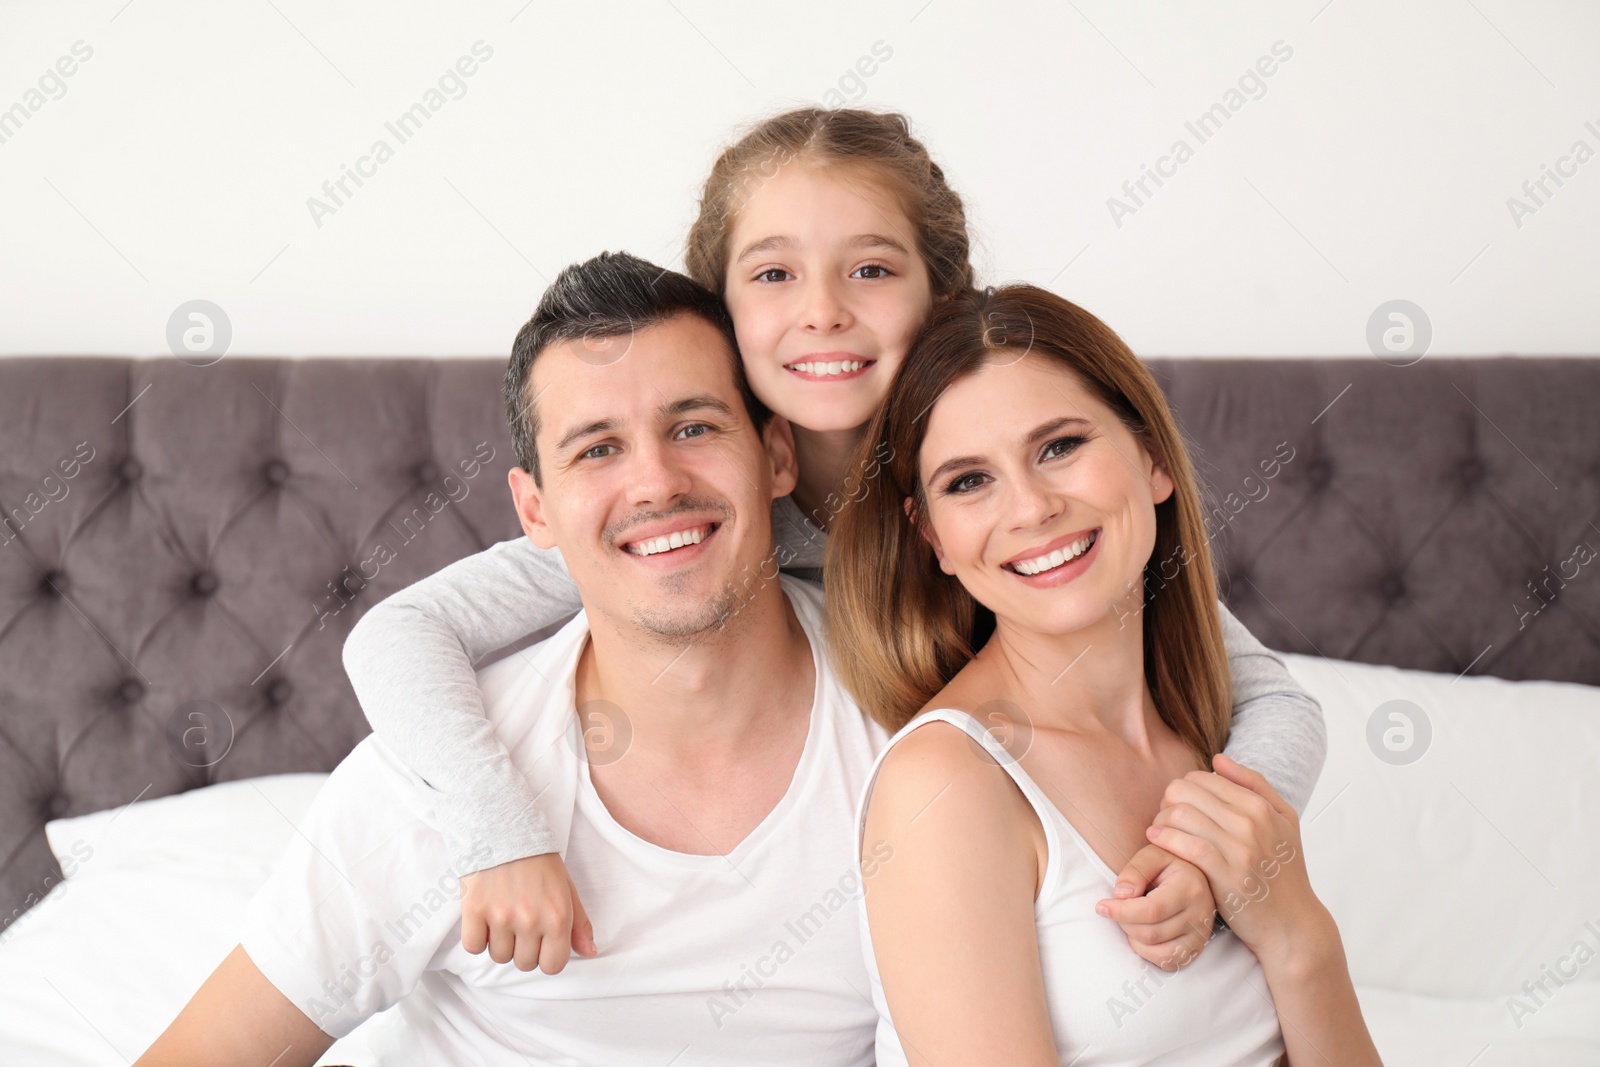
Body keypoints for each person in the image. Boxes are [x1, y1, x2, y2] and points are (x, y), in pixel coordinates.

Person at [339, 107, 1329, 975]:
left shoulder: (1016, 494)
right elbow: (400, 630)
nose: (823, 309)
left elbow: (1272, 696)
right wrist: (499, 830)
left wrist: (1202, 848)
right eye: (773, 273)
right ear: (718, 314)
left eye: (870, 267)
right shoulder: (683, 525)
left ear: (942, 294)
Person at [135, 253, 885, 1065]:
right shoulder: (433, 787)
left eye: (694, 427)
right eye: (597, 449)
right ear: (535, 509)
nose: (656, 483)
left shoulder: (914, 730)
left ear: (777, 456)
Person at [828, 284, 1381, 1064]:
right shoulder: (948, 783)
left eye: (1059, 446)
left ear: (1153, 456)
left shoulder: (1208, 725)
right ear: (936, 541)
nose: (1030, 507)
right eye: (968, 481)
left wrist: (1299, 934)